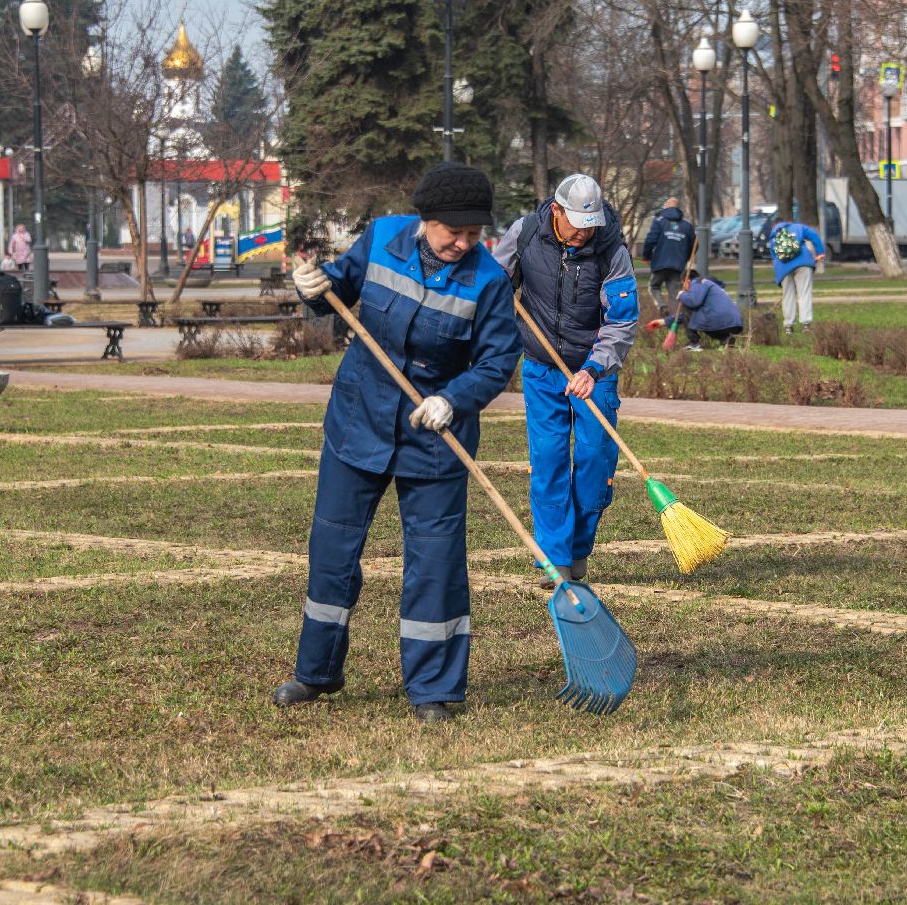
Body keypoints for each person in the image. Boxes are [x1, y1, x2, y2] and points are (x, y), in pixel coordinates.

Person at [272, 162, 520, 723]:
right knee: (332, 550)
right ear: (425, 220)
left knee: (435, 563)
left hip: (435, 437)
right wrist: (316, 287)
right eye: (452, 231)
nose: (462, 243)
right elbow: (339, 286)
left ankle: (434, 691)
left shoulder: (488, 281)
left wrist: (453, 399)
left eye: (473, 234)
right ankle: (316, 672)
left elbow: (498, 359)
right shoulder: (384, 235)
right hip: (358, 419)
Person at [492, 173, 638, 587]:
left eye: (590, 228)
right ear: (556, 211)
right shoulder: (524, 233)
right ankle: (554, 561)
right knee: (549, 462)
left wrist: (594, 369)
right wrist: (498, 300)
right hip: (541, 367)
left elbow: (622, 318)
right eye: (577, 227)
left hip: (595, 370)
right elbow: (493, 282)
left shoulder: (611, 249)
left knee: (595, 462)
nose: (583, 236)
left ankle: (577, 551)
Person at [766, 215, 825, 335]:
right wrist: (820, 252)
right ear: (787, 222)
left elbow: (773, 256)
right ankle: (806, 325)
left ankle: (788, 326)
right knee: (804, 293)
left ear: (774, 225)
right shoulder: (798, 227)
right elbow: (813, 235)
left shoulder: (773, 235)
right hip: (803, 262)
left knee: (788, 295)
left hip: (783, 267)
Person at [641, 196, 694, 319]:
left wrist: (646, 256)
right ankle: (676, 321)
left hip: (660, 263)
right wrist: (685, 258)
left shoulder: (659, 220)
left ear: (666, 207)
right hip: (678, 266)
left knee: (654, 287)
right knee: (675, 294)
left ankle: (662, 306)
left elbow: (651, 240)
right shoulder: (687, 225)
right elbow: (693, 246)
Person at [676, 271, 743, 350]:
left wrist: (682, 295)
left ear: (687, 281)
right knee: (709, 319)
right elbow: (691, 313)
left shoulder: (697, 283)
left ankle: (694, 343)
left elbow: (693, 302)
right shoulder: (711, 285)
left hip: (718, 320)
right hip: (735, 323)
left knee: (686, 304)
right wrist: (665, 321)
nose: (683, 287)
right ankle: (726, 340)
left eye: (682, 284)